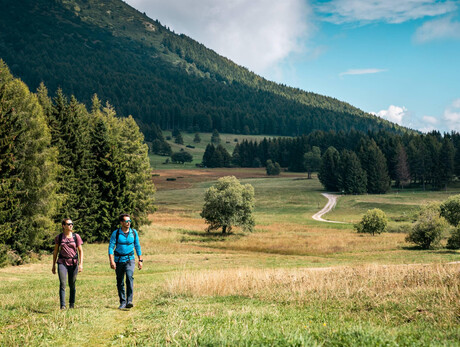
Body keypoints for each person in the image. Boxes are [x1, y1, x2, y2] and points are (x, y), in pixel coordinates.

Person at [108, 214, 143, 309]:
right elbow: (111, 247)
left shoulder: (134, 232)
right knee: (120, 281)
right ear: (121, 222)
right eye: (126, 221)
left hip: (130, 259)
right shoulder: (116, 233)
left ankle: (129, 301)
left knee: (129, 277)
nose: (129, 223)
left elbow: (137, 246)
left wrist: (140, 260)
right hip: (118, 260)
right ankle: (122, 302)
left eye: (129, 221)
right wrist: (112, 261)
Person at [52, 218, 84, 310]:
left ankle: (72, 304)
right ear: (63, 226)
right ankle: (63, 305)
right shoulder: (59, 237)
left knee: (72, 284)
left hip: (74, 263)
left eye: (72, 224)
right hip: (62, 262)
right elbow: (55, 252)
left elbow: (80, 251)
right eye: (68, 224)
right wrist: (53, 265)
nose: (71, 225)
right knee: (62, 283)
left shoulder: (76, 236)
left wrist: (81, 264)